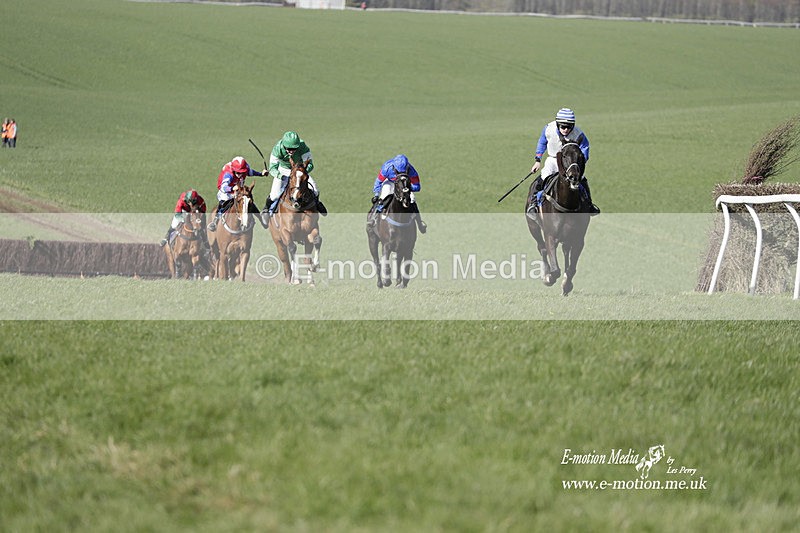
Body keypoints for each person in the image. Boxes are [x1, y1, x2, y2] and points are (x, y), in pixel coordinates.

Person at [529, 108, 599, 215]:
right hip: (553, 160)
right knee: (543, 176)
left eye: (569, 127)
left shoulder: (578, 133)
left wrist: (580, 162)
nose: (566, 130)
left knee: (582, 179)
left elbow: (585, 146)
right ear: (557, 124)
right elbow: (542, 142)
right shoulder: (548, 129)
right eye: (563, 127)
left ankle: (589, 205)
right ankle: (533, 204)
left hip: (570, 162)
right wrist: (537, 160)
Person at [260, 131, 327, 228]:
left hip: (299, 170)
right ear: (284, 145)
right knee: (274, 195)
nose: (291, 151)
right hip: (283, 170)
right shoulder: (277, 149)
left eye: (294, 149)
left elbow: (310, 164)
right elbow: (272, 168)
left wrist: (302, 171)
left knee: (315, 189)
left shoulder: (303, 146)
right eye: (289, 149)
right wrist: (280, 176)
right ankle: (266, 209)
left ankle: (317, 203)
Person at [367, 154, 426, 234]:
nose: (401, 173)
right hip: (390, 182)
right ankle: (374, 218)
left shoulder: (411, 170)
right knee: (384, 195)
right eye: (399, 171)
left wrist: (408, 188)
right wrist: (376, 194)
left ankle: (420, 223)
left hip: (404, 185)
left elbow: (417, 186)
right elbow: (378, 182)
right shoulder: (386, 168)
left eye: (404, 172)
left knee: (412, 199)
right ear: (394, 168)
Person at [208, 156, 266, 231]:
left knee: (247, 200)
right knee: (223, 202)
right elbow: (223, 187)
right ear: (233, 170)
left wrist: (261, 174)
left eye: (242, 172)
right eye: (238, 172)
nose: (240, 174)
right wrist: (232, 188)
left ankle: (261, 219)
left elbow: (251, 172)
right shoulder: (228, 174)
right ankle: (215, 220)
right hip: (226, 192)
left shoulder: (245, 169)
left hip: (238, 190)